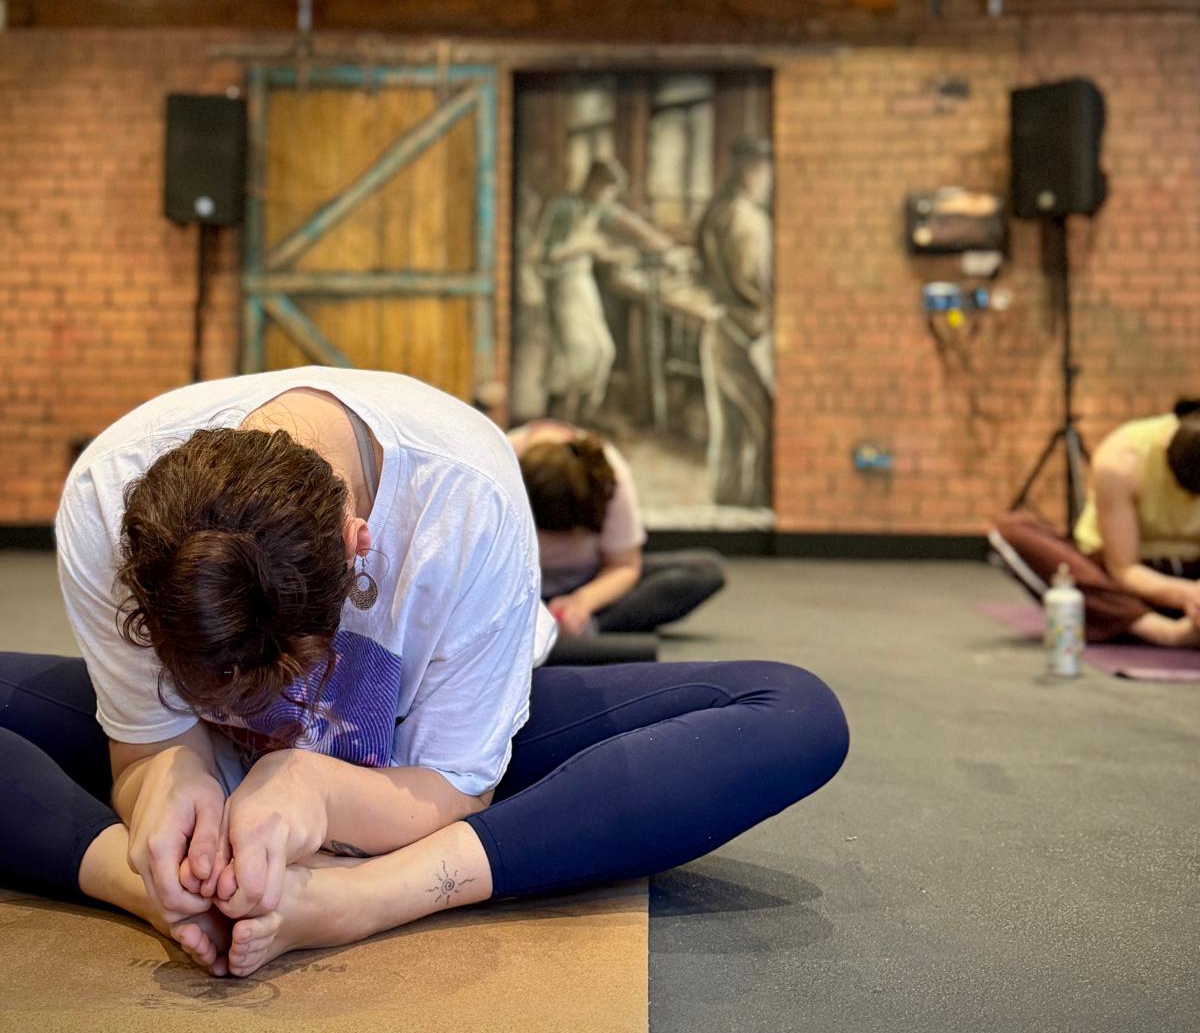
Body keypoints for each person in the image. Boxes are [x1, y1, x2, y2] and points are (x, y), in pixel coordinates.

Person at [0, 366, 848, 981]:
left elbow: (454, 783)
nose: (259, 717)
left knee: (794, 710)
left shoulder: (468, 499)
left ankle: (364, 897)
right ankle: (125, 879)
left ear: (357, 543)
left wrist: (316, 791)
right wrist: (162, 804)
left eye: (281, 679)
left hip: (412, 760)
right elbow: (145, 739)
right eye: (213, 685)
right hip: (227, 803)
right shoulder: (109, 494)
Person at [990, 408, 1200, 646]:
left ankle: (1131, 621)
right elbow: (1125, 570)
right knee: (1013, 530)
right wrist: (1189, 595)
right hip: (1122, 578)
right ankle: (1161, 630)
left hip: (1192, 573)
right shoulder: (1123, 458)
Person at [508, 419, 726, 635]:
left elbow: (623, 565)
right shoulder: (493, 466)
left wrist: (582, 602)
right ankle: (556, 632)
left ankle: (582, 626)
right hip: (513, 591)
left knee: (704, 571)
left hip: (588, 582)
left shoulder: (606, 474)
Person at [537, 157, 678, 424]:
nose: (608, 198)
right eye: (606, 190)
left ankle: (584, 414)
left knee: (604, 350)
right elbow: (547, 254)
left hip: (582, 281)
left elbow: (625, 220)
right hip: (563, 283)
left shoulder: (595, 206)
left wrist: (656, 240)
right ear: (592, 184)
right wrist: (585, 245)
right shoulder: (565, 207)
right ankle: (561, 415)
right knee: (579, 351)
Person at [696, 138, 774, 508]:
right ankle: (756, 502)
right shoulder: (749, 220)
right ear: (752, 171)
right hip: (747, 332)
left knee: (729, 428)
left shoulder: (716, 212)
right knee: (765, 425)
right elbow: (754, 282)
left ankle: (726, 501)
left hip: (719, 327)